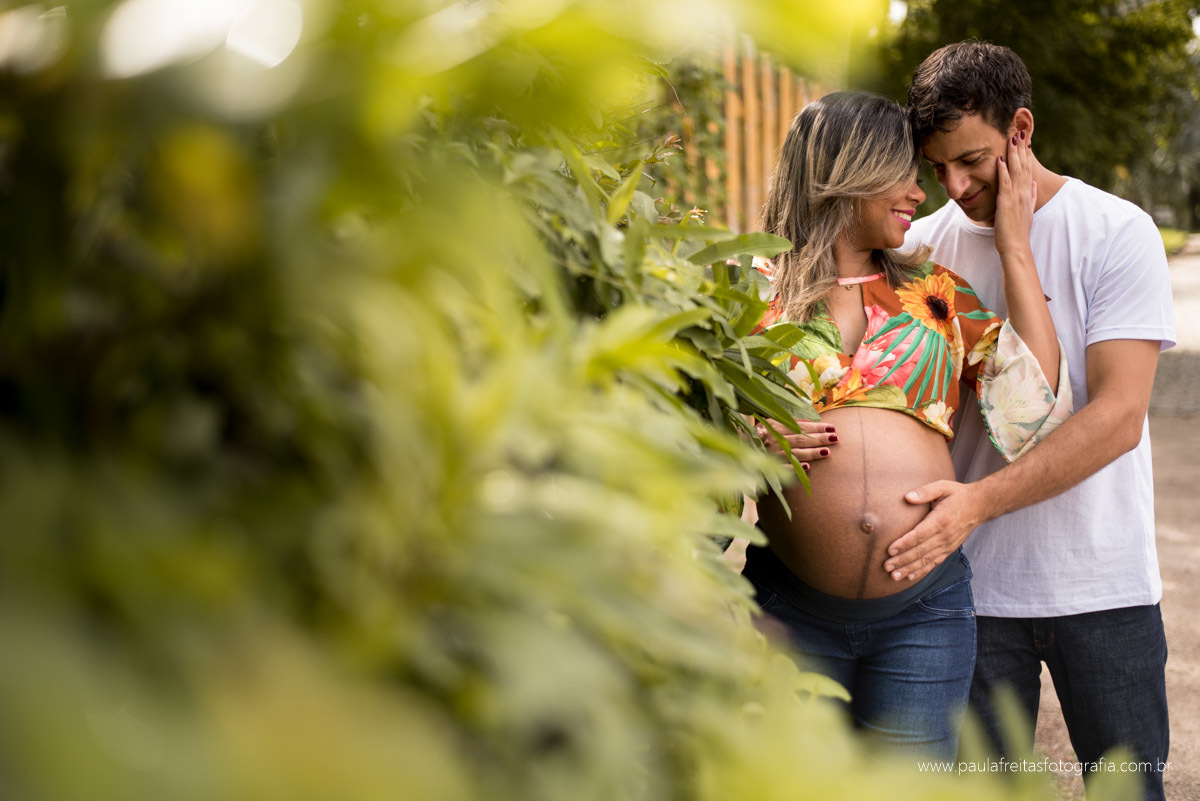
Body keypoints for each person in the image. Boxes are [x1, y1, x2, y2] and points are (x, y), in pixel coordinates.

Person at [740, 90, 1072, 761]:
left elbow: (1033, 408)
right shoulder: (749, 292)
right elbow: (683, 426)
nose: (919, 194)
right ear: (849, 170)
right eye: (902, 173)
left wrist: (1015, 248)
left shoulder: (936, 293)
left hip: (923, 615)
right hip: (790, 611)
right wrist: (742, 436)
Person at [895, 41, 1175, 799]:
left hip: (1104, 588)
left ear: (1021, 130)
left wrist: (974, 505)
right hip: (971, 597)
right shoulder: (921, 249)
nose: (954, 187)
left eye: (973, 161)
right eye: (938, 167)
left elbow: (1117, 418)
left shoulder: (1117, 232)